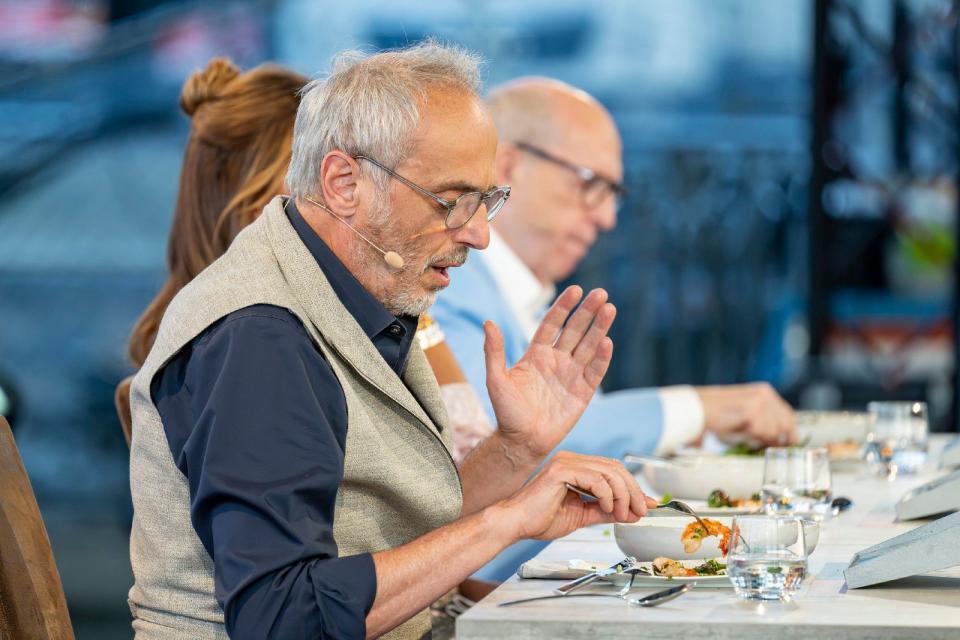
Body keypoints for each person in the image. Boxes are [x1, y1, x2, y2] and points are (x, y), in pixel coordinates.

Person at [127, 43, 656, 639]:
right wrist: (508, 520)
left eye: (487, 201)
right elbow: (282, 618)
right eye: (451, 201)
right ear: (345, 182)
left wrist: (517, 449)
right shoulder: (261, 335)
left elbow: (390, 531)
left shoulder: (351, 290)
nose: (480, 234)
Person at [431, 77, 797, 580]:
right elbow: (498, 450)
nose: (606, 218)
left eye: (613, 195)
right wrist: (701, 408)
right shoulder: (450, 290)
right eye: (590, 183)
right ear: (509, 167)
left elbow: (569, 435)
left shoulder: (520, 294)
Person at [117, 57, 492, 462]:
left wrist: (517, 449)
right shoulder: (248, 339)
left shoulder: (386, 310)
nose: (312, 200)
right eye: (300, 185)